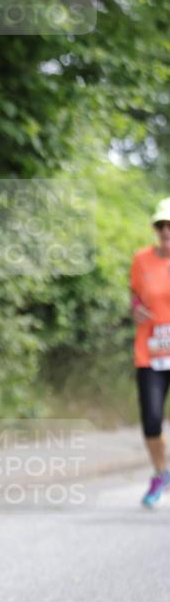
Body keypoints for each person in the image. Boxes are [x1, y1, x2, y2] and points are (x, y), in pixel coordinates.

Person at [130, 196, 170, 508]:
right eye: (162, 226)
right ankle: (160, 473)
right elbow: (135, 294)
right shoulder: (142, 259)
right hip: (151, 353)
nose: (167, 231)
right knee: (152, 421)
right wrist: (135, 307)